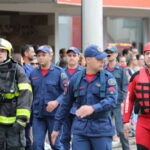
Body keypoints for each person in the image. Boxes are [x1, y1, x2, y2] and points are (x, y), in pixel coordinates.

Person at [51, 45, 118, 150]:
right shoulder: (76, 79)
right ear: (88, 60)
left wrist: (93, 108)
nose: (103, 61)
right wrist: (56, 128)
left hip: (101, 130)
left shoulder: (108, 78)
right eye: (99, 59)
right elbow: (65, 103)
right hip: (80, 130)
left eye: (103, 58)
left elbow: (112, 100)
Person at [30, 45, 68, 150]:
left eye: (43, 55)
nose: (40, 57)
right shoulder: (33, 73)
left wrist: (57, 102)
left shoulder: (59, 72)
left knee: (55, 144)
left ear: (51, 56)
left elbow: (67, 91)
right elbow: (30, 94)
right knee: (37, 145)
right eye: (38, 55)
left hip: (55, 116)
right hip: (38, 115)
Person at [0, 38, 33, 150]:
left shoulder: (17, 70)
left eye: (2, 51)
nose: (0, 54)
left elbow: (25, 94)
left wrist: (21, 119)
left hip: (14, 123)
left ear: (8, 52)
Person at [123, 42, 150, 150]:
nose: (149, 56)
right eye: (147, 53)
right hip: (143, 123)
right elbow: (129, 99)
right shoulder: (136, 76)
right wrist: (126, 121)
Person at [104, 46, 130, 150]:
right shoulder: (103, 69)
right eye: (108, 52)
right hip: (106, 103)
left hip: (118, 103)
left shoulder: (122, 69)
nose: (109, 54)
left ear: (116, 54)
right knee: (105, 130)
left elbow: (125, 87)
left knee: (121, 130)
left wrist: (123, 102)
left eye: (111, 52)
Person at [60, 47, 84, 150]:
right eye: (69, 55)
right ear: (66, 57)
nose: (72, 58)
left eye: (74, 55)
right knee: (64, 136)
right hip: (64, 108)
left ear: (79, 57)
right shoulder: (60, 72)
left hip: (78, 108)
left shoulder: (83, 71)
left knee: (77, 136)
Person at [20, 44, 35, 150]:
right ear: (26, 54)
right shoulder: (23, 70)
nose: (34, 53)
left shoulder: (31, 69)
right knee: (26, 137)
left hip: (33, 107)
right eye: (32, 51)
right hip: (27, 108)